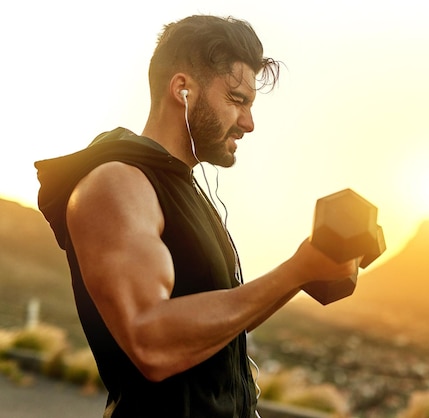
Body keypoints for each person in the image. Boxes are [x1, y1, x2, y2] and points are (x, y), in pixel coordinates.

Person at [35, 15, 359, 418]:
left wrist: (309, 272)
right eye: (237, 99)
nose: (249, 123)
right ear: (182, 89)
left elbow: (211, 328)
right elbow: (151, 343)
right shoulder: (116, 184)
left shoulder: (184, 190)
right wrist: (296, 270)